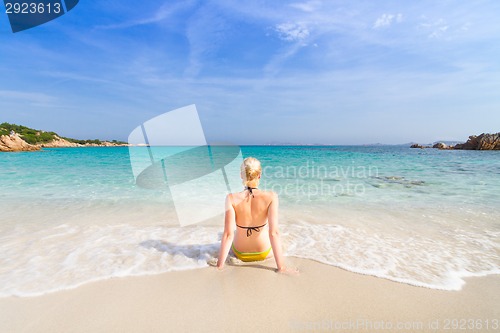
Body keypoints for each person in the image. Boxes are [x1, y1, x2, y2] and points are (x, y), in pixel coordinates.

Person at [215, 157, 298, 275]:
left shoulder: (231, 198)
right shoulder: (271, 196)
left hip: (239, 252)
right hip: (263, 252)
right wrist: (281, 268)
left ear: (241, 175)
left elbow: (228, 235)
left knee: (225, 234)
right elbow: (274, 233)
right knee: (283, 240)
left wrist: (219, 266)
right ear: (259, 175)